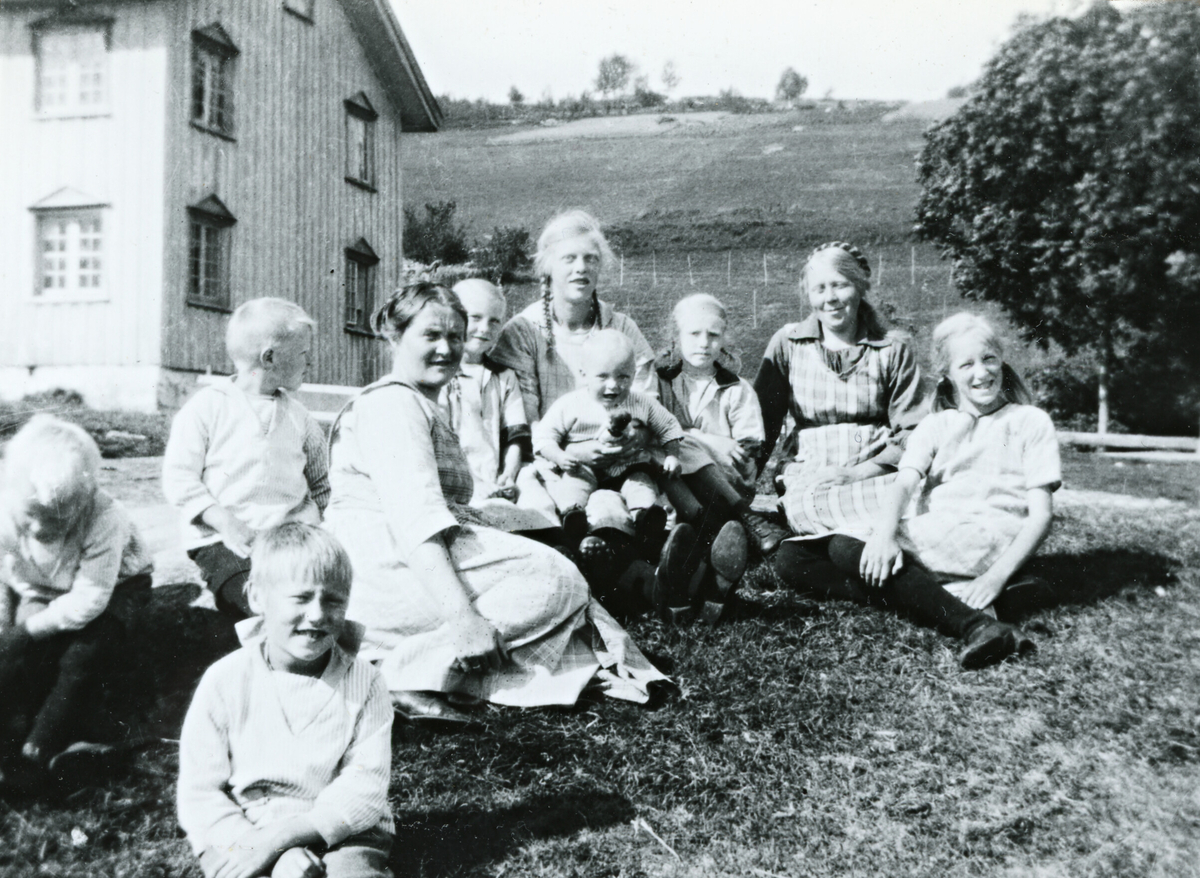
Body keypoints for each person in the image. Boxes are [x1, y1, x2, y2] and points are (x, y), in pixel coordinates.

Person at [322, 282, 669, 724]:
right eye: (430, 335)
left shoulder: (418, 401)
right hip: (386, 566)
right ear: (395, 336)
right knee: (557, 581)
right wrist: (464, 620)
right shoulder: (392, 406)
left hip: (399, 553)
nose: (446, 348)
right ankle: (408, 673)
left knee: (544, 536)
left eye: (454, 336)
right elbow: (416, 521)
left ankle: (644, 586)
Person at [788, 313, 1052, 668]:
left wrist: (996, 576)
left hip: (993, 537)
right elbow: (903, 483)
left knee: (841, 546)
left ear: (1001, 359)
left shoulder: (1029, 421)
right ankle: (943, 596)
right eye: (967, 364)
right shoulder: (936, 424)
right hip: (942, 529)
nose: (982, 372)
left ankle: (977, 625)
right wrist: (884, 536)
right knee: (792, 560)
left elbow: (1041, 516)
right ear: (948, 375)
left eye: (989, 359)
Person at [178, 523, 394, 878]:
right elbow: (200, 793)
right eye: (301, 597)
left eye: (334, 600)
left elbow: (365, 786)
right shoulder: (225, 680)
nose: (318, 614)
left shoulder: (367, 682)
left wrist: (283, 838)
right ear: (257, 598)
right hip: (246, 829)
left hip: (341, 829)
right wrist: (268, 852)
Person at [755, 242, 924, 585]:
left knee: (916, 495)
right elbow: (760, 425)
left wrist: (860, 472)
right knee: (809, 506)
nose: (830, 298)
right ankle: (888, 555)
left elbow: (912, 431)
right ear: (808, 294)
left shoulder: (893, 348)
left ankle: (847, 550)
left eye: (840, 285)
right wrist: (740, 493)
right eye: (819, 288)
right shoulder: (788, 343)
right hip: (811, 474)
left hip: (876, 470)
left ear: (860, 287)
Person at [0, 415, 153, 790]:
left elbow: (90, 599)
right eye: (31, 517)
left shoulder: (105, 517)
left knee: (82, 654)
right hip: (43, 589)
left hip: (114, 589)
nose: (39, 529)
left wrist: (28, 631)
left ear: (85, 496)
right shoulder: (6, 510)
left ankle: (44, 744)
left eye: (56, 520)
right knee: (24, 656)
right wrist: (8, 630)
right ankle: (21, 731)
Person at [163, 298, 329, 619]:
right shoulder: (208, 407)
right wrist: (225, 522)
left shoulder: (299, 417)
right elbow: (179, 478)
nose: (310, 362)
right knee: (263, 605)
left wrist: (312, 525)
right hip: (226, 542)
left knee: (323, 595)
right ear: (270, 358)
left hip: (289, 539)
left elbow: (323, 483)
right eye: (304, 354)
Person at [655, 293, 769, 621]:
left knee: (687, 469)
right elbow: (656, 431)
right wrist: (706, 438)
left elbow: (748, 453)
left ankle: (706, 556)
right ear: (675, 337)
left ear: (724, 339)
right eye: (693, 334)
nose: (704, 343)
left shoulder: (736, 389)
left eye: (713, 335)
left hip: (725, 484)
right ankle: (707, 568)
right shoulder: (662, 384)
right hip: (674, 483)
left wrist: (706, 447)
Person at [438, 279, 555, 533]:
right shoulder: (441, 375)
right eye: (475, 318)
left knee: (537, 498)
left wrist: (509, 475)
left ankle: (556, 541)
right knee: (489, 514)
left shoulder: (504, 376)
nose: (484, 328)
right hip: (457, 477)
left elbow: (516, 434)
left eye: (494, 321)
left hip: (498, 475)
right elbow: (442, 443)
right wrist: (474, 481)